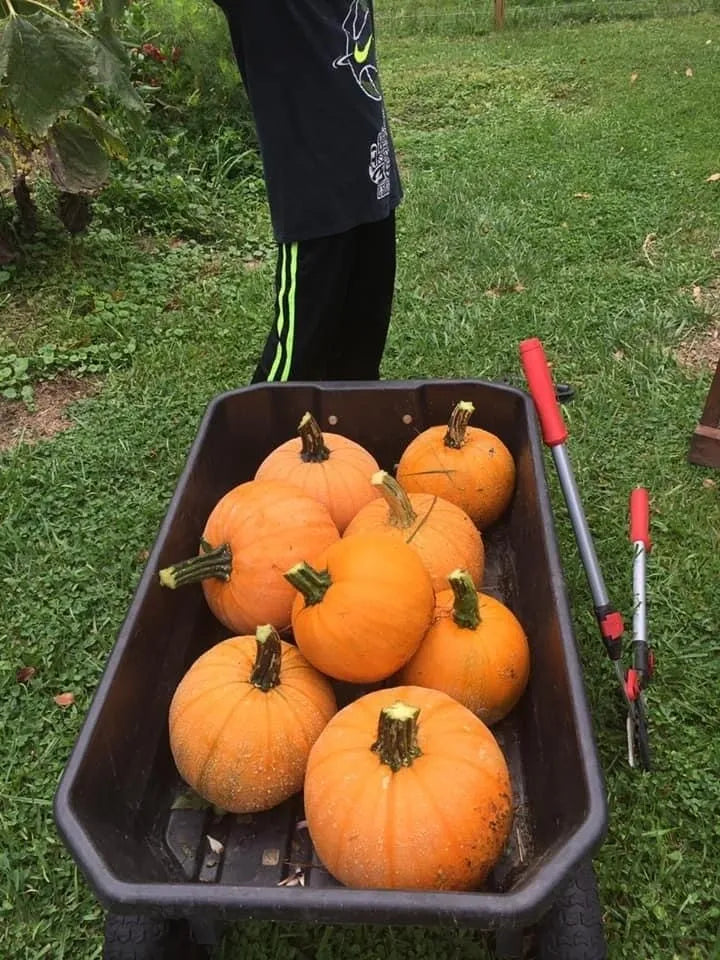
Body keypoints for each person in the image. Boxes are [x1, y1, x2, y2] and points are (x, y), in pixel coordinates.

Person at [211, 0, 403, 383]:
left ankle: (351, 418)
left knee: (359, 362)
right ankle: (259, 424)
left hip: (374, 181)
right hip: (317, 200)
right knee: (292, 371)